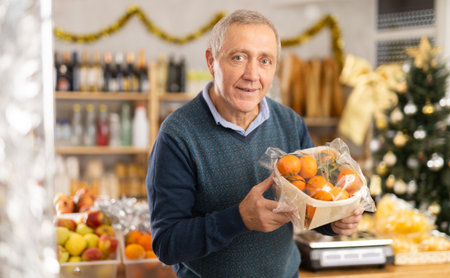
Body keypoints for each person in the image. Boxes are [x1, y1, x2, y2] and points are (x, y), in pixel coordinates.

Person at [146, 9, 363, 278]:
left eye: (265, 61)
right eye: (238, 58)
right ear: (212, 61)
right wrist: (238, 219)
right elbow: (167, 244)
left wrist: (337, 220)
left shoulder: (290, 123)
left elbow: (309, 207)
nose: (252, 74)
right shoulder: (178, 134)